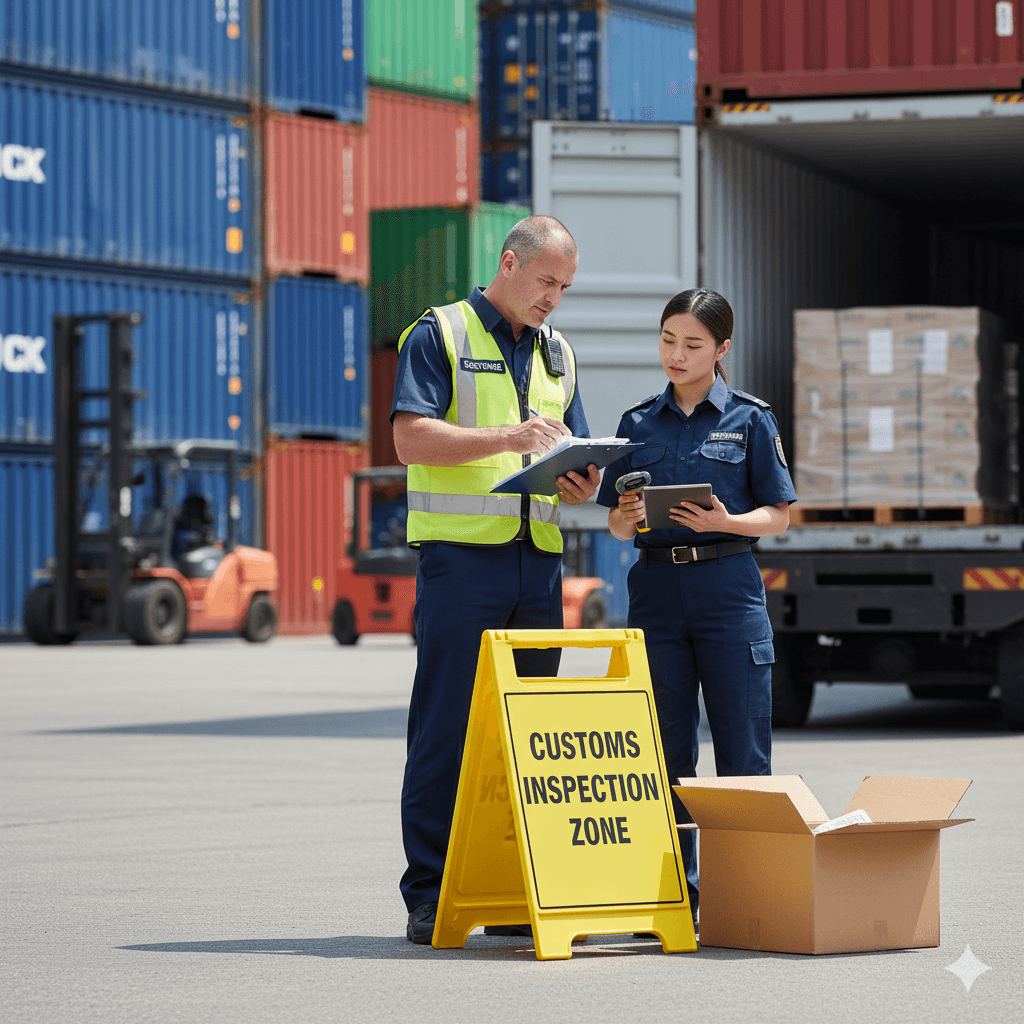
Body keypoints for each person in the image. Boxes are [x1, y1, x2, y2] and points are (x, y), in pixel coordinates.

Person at [391, 215, 601, 944]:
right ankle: (429, 892)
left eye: (564, 288)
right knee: (447, 726)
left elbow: (574, 447)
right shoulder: (439, 334)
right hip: (461, 561)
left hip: (536, 563)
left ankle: (512, 889)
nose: (554, 299)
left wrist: (583, 483)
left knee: (527, 733)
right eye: (547, 282)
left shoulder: (558, 352)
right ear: (509, 263)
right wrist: (510, 437)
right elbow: (409, 437)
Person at [595, 288, 797, 926]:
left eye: (692, 344)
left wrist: (727, 520)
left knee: (743, 750)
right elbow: (616, 528)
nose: (676, 355)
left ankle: (744, 899)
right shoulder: (636, 423)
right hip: (656, 594)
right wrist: (626, 514)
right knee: (663, 751)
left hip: (727, 591)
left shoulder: (750, 419)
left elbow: (779, 516)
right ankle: (674, 898)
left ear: (721, 349)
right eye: (667, 341)